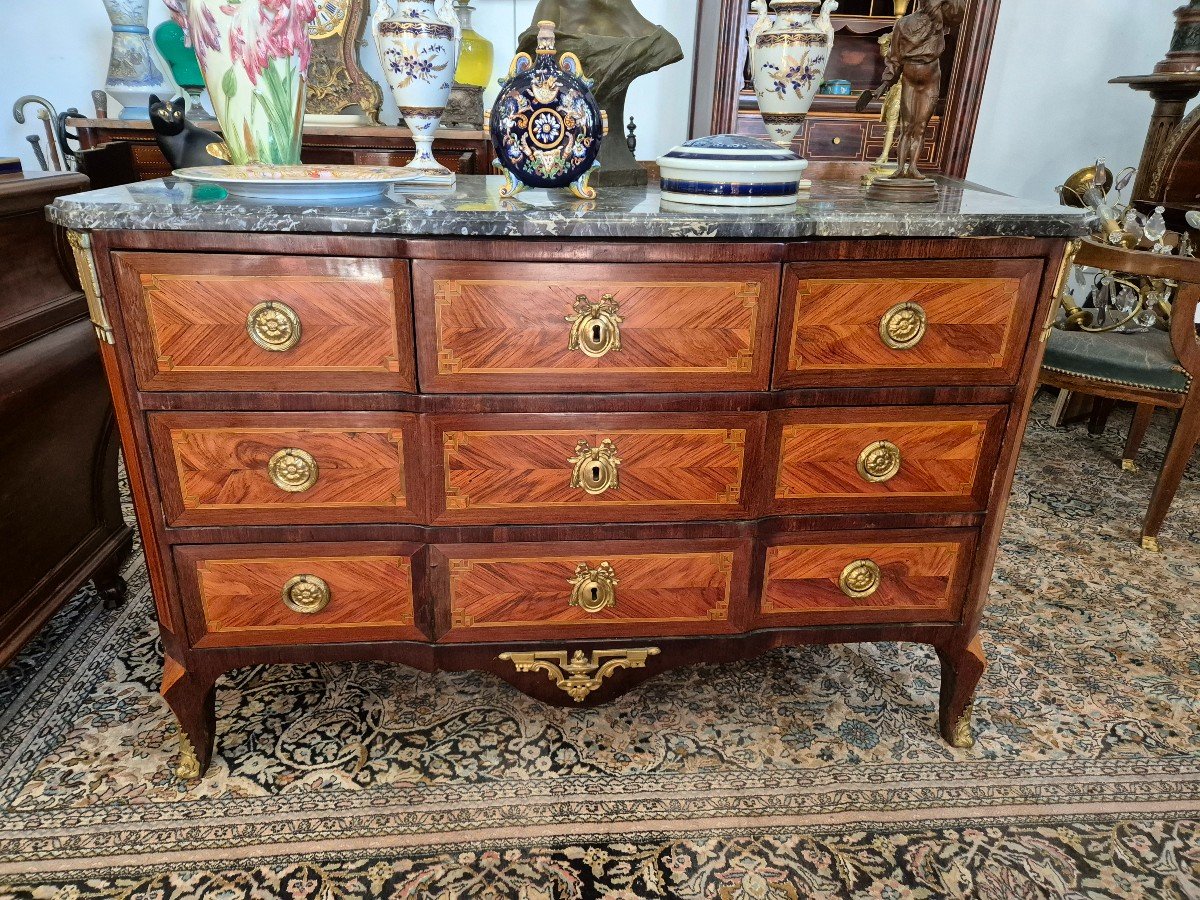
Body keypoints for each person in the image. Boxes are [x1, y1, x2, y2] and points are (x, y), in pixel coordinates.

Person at [873, 0, 967, 180]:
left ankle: (913, 168)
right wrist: (885, 84)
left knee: (921, 126)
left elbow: (958, 13)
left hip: (931, 79)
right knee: (906, 126)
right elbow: (894, 59)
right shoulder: (903, 24)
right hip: (909, 78)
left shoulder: (939, 21)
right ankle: (900, 169)